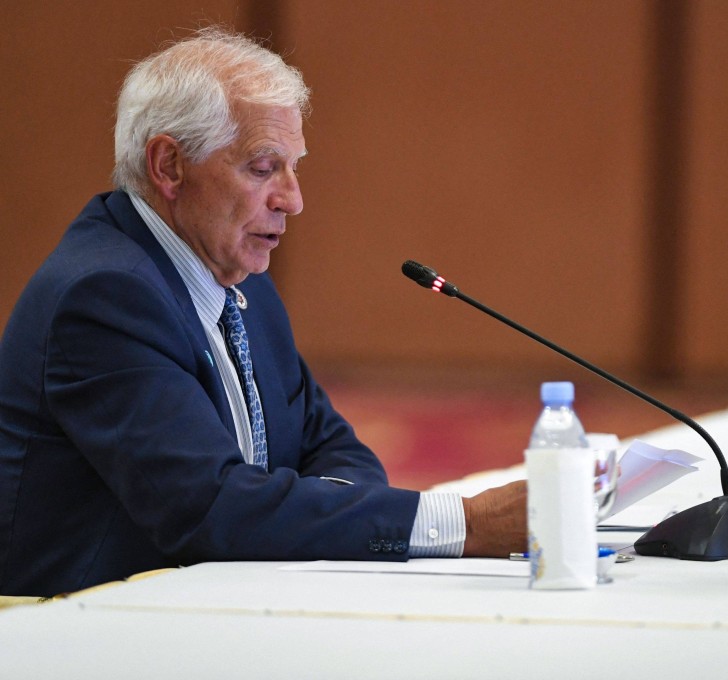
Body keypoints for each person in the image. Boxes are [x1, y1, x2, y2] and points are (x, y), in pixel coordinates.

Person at [0, 28, 526, 597]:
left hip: (197, 609)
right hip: (67, 631)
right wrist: (466, 525)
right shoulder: (104, 297)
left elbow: (333, 448)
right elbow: (209, 507)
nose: (292, 199)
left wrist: (293, 518)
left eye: (294, 167)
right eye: (262, 168)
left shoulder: (241, 282)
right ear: (169, 166)